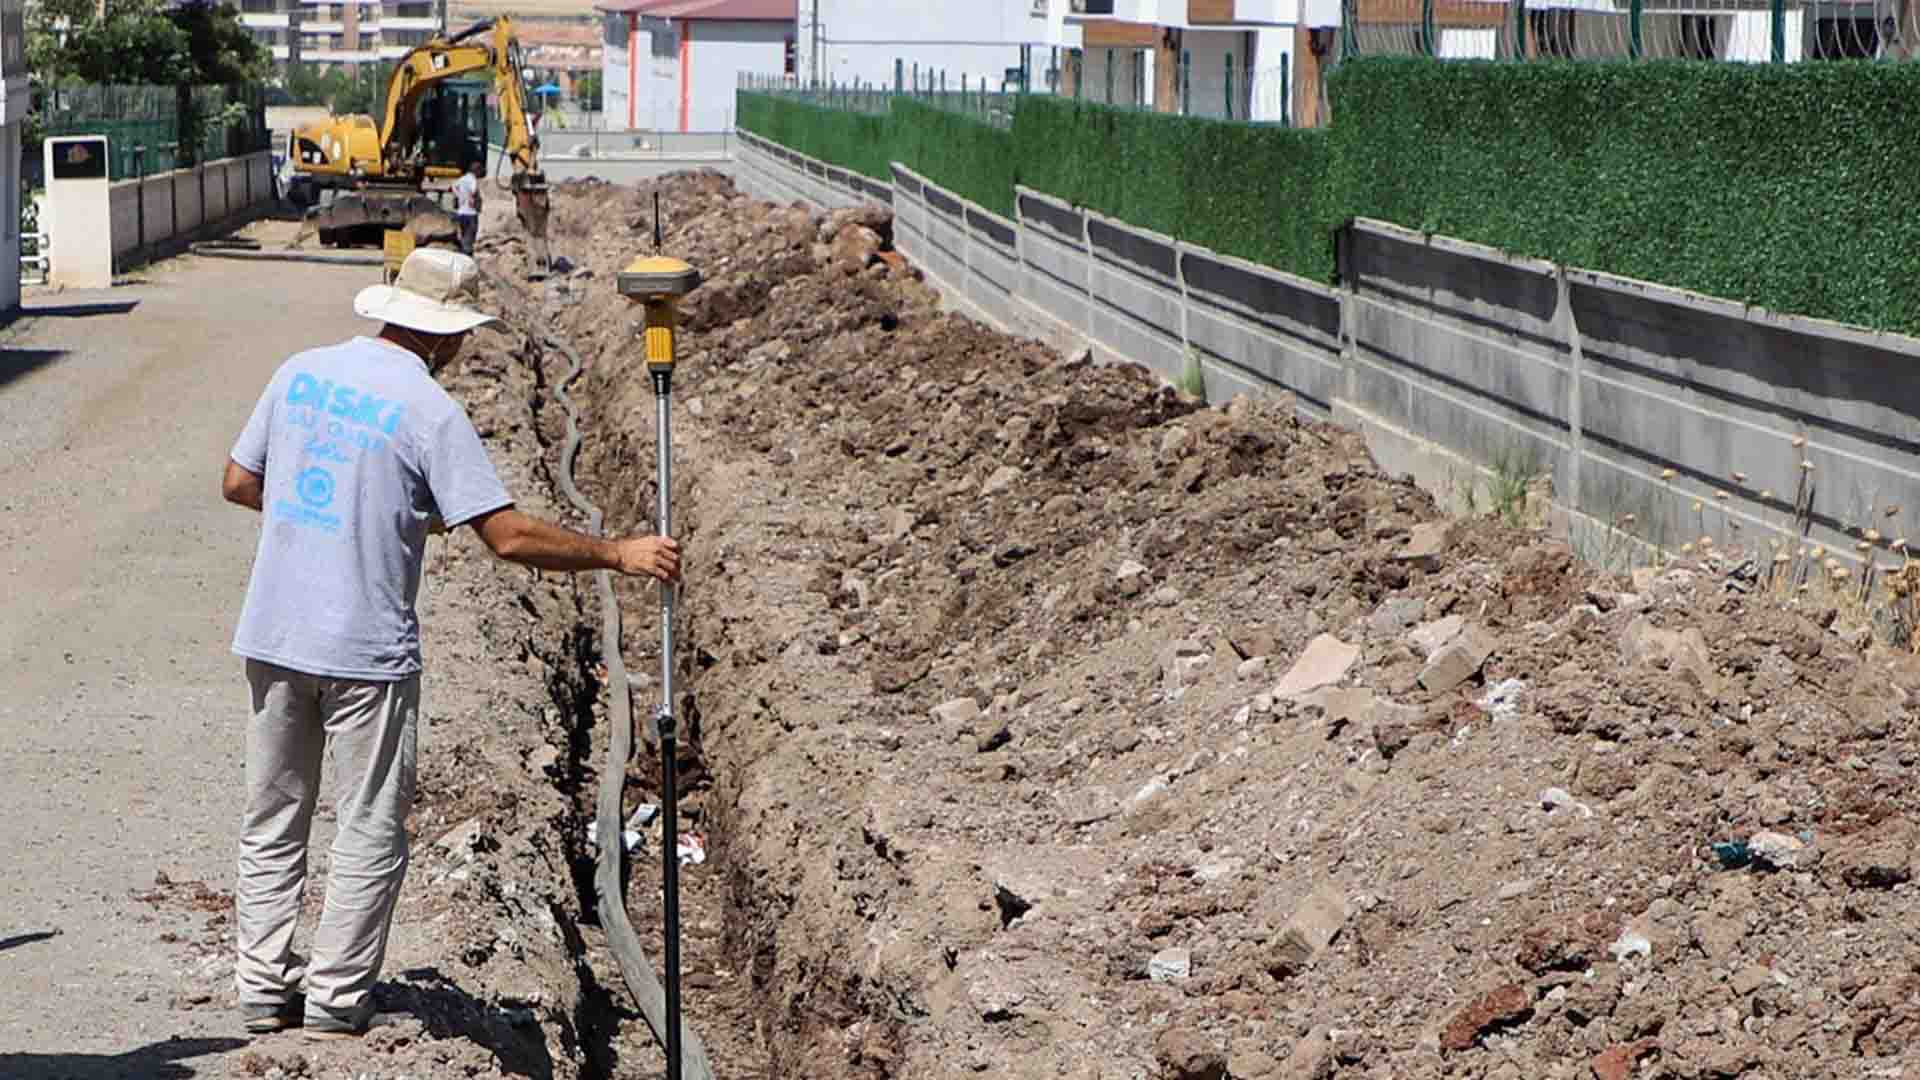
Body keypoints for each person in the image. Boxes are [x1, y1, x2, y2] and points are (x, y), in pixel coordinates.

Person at [221, 247, 680, 1040]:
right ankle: (334, 999)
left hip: (274, 631)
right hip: (364, 650)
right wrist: (616, 553)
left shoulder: (299, 371)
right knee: (367, 822)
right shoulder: (429, 410)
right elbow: (503, 536)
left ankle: (262, 988)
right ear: (446, 336)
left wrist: (333, 519)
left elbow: (239, 482)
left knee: (275, 812)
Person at [451, 160, 482, 255]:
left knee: (463, 237)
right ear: (476, 171)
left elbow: (453, 186)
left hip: (461, 213)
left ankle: (462, 255)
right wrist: (472, 198)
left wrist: (459, 195)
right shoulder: (473, 180)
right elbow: (473, 190)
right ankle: (467, 259)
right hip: (471, 214)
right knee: (469, 238)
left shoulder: (462, 179)